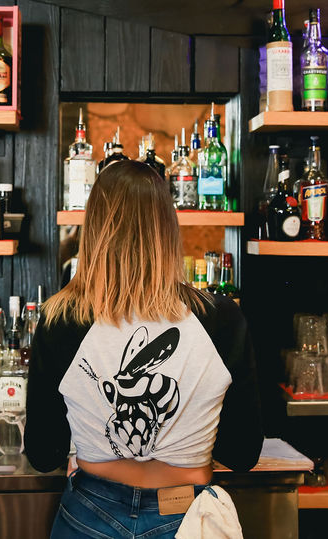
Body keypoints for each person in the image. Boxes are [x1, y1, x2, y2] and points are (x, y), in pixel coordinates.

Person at [26, 160, 263, 538]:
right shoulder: (222, 318)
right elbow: (242, 453)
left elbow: (42, 454)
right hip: (186, 516)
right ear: (168, 228)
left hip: (90, 512)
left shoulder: (60, 318)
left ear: (94, 228)